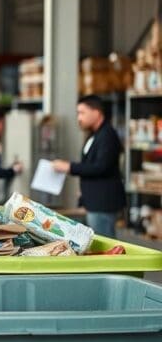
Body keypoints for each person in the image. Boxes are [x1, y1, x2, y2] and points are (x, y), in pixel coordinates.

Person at [52, 94, 125, 237]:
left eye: (82, 113)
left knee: (104, 248)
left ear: (96, 112)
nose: (79, 118)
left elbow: (101, 166)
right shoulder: (94, 135)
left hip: (102, 204)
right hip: (93, 202)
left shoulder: (107, 135)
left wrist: (69, 167)